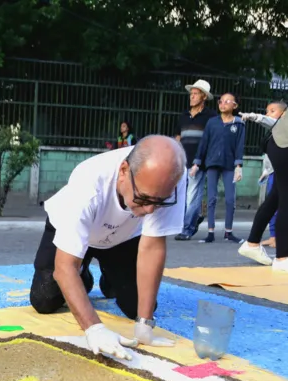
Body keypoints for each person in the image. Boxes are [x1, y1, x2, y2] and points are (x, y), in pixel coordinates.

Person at [29, 135, 185, 360]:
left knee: (135, 306)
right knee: (44, 300)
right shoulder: (87, 183)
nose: (151, 211)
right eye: (143, 199)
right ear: (123, 170)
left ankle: (109, 277)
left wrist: (144, 323)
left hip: (121, 237)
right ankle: (84, 275)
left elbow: (152, 246)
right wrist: (94, 328)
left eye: (159, 202)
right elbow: (64, 268)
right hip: (76, 234)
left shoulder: (171, 175)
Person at [189, 92, 246, 244]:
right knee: (211, 199)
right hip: (212, 163)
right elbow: (204, 143)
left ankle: (229, 232)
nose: (223, 104)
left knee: (229, 199)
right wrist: (196, 163)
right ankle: (210, 233)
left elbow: (240, 146)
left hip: (229, 164)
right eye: (221, 101)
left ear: (235, 105)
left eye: (228, 101)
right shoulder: (212, 122)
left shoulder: (239, 123)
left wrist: (238, 166)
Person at [238, 104, 288, 272]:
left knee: (275, 197)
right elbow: (273, 120)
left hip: (278, 145)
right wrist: (256, 116)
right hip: (284, 146)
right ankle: (282, 257)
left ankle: (252, 243)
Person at [175, 79, 217, 241]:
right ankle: (197, 215)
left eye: (195, 94)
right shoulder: (184, 115)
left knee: (192, 195)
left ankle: (187, 229)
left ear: (204, 97)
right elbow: (178, 136)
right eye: (191, 94)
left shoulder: (211, 117)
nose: (191, 97)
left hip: (198, 162)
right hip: (182, 161)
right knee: (184, 195)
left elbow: (212, 139)